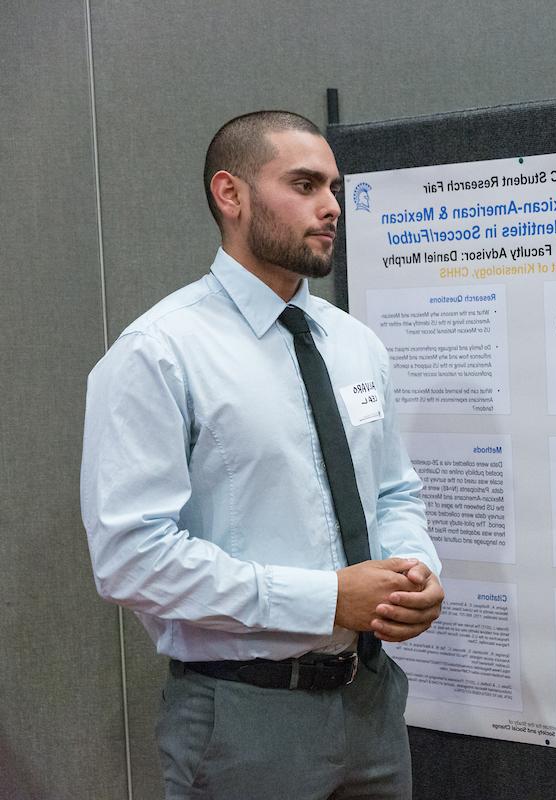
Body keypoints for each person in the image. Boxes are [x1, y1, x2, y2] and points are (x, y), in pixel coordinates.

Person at [80, 111, 443, 799]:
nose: (331, 206)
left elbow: (394, 492)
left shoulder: (354, 343)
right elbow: (131, 559)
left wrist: (414, 573)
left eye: (334, 187)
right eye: (304, 184)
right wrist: (329, 597)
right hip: (245, 719)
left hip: (372, 703)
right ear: (231, 194)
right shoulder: (160, 353)